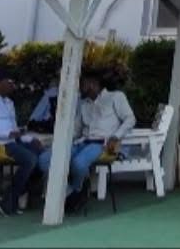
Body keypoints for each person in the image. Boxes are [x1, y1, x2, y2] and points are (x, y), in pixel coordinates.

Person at [47, 69, 136, 215]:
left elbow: (130, 119)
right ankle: (73, 191)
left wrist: (116, 136)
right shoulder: (84, 104)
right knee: (47, 160)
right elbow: (76, 130)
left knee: (77, 163)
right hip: (82, 142)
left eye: (81, 84)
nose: (79, 88)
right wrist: (60, 141)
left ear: (92, 84)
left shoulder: (116, 97)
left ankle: (77, 191)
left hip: (103, 144)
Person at [0, 71, 45, 216]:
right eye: (9, 82)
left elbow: (14, 129)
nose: (13, 85)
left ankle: (11, 195)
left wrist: (29, 139)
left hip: (12, 142)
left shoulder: (9, 103)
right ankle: (8, 201)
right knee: (30, 159)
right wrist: (6, 134)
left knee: (43, 156)